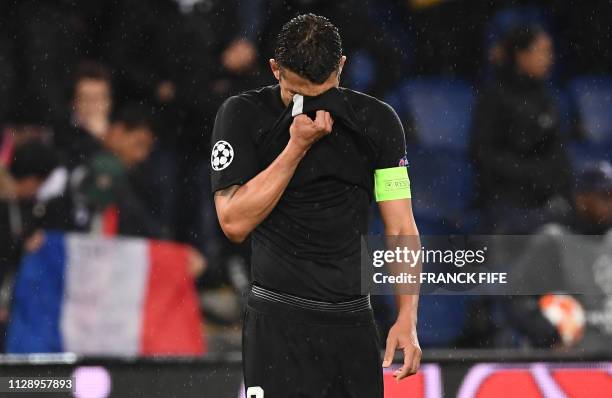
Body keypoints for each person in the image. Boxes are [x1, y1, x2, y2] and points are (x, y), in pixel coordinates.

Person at [211, 14, 421, 397]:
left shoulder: (378, 122)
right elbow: (233, 221)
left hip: (351, 323)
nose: (314, 108)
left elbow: (402, 227)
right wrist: (295, 148)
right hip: (277, 321)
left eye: (323, 93)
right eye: (297, 94)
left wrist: (407, 316)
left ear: (341, 67)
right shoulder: (241, 115)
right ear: (275, 69)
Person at [469, 25, 573, 234]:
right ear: (522, 55)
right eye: (542, 51)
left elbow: (558, 151)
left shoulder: (546, 96)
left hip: (547, 199)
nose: (549, 58)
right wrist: (532, 176)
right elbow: (484, 153)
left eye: (550, 52)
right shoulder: (495, 97)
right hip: (508, 201)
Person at [55, 61, 113, 169]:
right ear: (74, 102)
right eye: (86, 98)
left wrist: (105, 138)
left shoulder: (118, 131)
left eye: (99, 98)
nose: (93, 106)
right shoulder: (61, 132)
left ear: (109, 102)